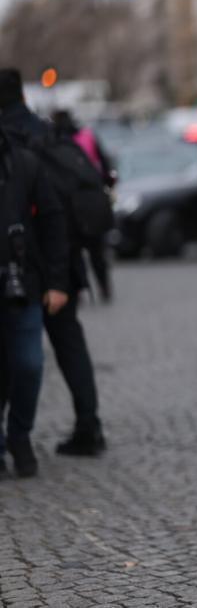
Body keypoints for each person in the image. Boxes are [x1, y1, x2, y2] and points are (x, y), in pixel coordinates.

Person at [0, 70, 108, 458]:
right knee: (68, 344)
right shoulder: (45, 130)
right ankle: (88, 425)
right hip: (63, 257)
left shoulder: (12, 141)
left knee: (14, 354)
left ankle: (15, 435)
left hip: (26, 264)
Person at [0, 69, 70, 477]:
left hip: (22, 279)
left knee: (28, 364)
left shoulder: (24, 163)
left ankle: (20, 433)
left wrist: (58, 282)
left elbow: (53, 222)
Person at [52, 109, 116, 302]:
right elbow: (104, 164)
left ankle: (78, 289)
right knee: (97, 252)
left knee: (75, 252)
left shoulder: (55, 146)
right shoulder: (86, 137)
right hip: (93, 201)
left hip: (72, 207)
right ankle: (104, 288)